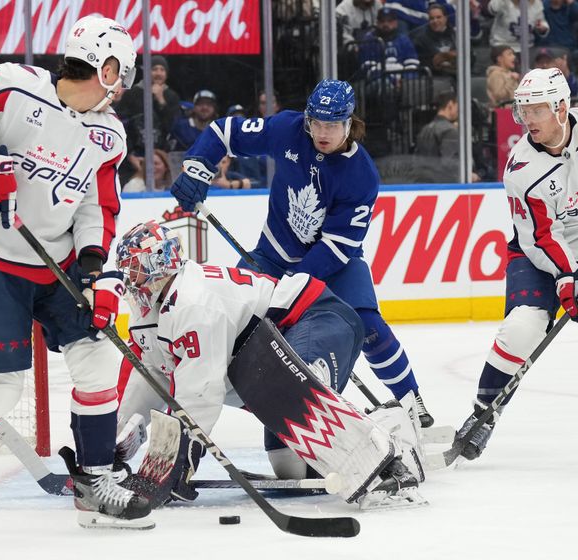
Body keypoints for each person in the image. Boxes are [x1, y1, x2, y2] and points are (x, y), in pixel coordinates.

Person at [0, 16, 152, 534]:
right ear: (105, 69)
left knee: (97, 360)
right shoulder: (16, 87)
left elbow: (96, 208)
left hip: (57, 266)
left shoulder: (109, 135)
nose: (123, 90)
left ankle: (95, 481)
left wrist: (92, 271)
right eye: (120, 75)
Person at [169, 79, 436, 428]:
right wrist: (198, 168)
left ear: (349, 124)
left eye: (333, 125)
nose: (323, 132)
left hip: (335, 264)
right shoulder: (288, 128)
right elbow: (224, 132)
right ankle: (216, 408)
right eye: (317, 123)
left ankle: (409, 400)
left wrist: (292, 291)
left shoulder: (362, 175)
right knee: (233, 323)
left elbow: (337, 246)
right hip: (272, 255)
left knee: (368, 324)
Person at [114, 220, 425, 509]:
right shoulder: (152, 313)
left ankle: (393, 447)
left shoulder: (193, 302)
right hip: (263, 360)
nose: (129, 279)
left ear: (159, 264)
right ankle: (369, 429)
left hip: (317, 316)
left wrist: (175, 459)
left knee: (296, 389)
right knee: (294, 470)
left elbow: (200, 390)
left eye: (135, 269)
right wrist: (115, 439)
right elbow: (152, 377)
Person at [455, 68, 577, 460]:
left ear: (561, 108)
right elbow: (541, 236)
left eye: (536, 110)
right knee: (522, 328)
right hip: (538, 252)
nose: (526, 120)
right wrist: (568, 276)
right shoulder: (522, 169)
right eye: (523, 111)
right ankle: (483, 414)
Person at [411, 3, 458, 78]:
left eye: (438, 17)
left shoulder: (456, 35)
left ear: (445, 18)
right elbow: (422, 62)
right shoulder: (420, 39)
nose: (435, 21)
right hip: (435, 79)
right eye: (432, 18)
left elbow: (470, 56)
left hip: (458, 76)